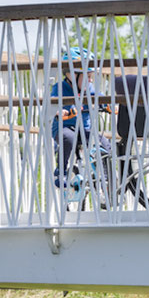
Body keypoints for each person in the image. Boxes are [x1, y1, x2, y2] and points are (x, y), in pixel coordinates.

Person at [51, 50, 111, 199]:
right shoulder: (60, 88)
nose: (90, 80)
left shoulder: (88, 89)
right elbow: (54, 105)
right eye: (88, 76)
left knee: (103, 142)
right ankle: (61, 172)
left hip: (84, 129)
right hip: (64, 127)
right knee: (68, 138)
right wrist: (62, 112)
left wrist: (109, 105)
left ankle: (106, 179)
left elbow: (100, 98)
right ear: (72, 74)